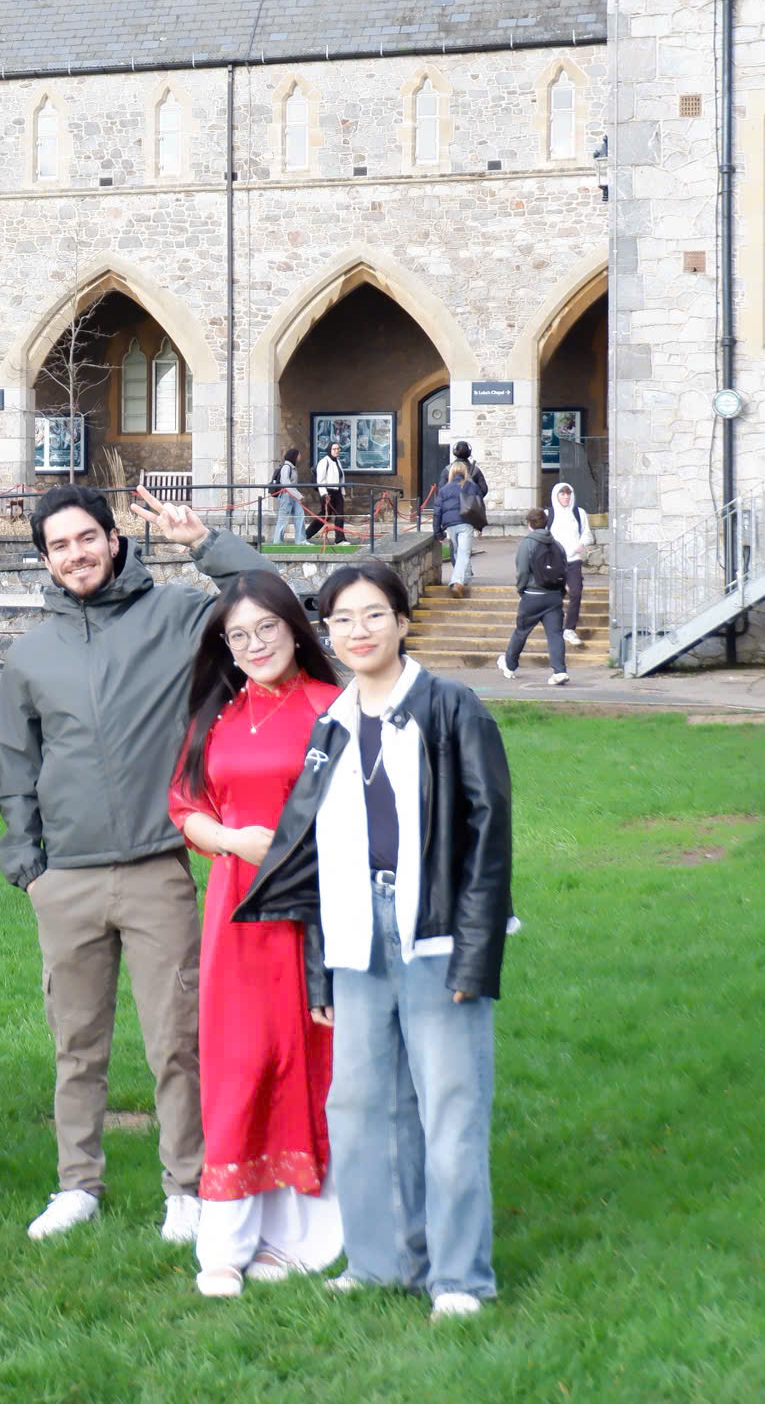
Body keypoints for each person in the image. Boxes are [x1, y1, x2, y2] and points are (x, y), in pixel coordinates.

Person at [0, 483, 276, 1244]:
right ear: (45, 558)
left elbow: (271, 604)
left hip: (158, 865)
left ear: (113, 539)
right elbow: (17, 767)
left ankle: (186, 1187)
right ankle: (76, 1184)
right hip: (69, 878)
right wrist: (29, 863)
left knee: (176, 1039)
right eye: (58, 545)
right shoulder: (30, 655)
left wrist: (205, 544)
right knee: (75, 1043)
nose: (75, 554)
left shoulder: (180, 616)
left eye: (87, 538)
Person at [235, 560, 513, 1322]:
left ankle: (460, 1277)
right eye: (342, 620)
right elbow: (320, 855)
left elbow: (489, 837)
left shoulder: (451, 708)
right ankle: (381, 1260)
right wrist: (322, 971)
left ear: (400, 620)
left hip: (434, 933)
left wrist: (477, 950)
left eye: (372, 615)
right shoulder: (332, 724)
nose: (358, 632)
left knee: (449, 1108)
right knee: (358, 1103)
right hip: (357, 934)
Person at [167, 570, 343, 1298]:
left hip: (317, 909)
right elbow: (184, 804)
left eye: (265, 628)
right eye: (238, 635)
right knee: (240, 1062)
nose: (253, 644)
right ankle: (227, 1237)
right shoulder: (220, 715)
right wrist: (236, 841)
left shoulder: (337, 708)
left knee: (306, 1057)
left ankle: (301, 1238)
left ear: (294, 627)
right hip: (236, 911)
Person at [495, 506, 570, 687]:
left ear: (529, 524)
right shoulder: (556, 544)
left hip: (532, 595)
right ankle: (559, 671)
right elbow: (564, 568)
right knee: (555, 634)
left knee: (521, 631)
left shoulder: (526, 544)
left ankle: (510, 665)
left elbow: (521, 571)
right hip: (554, 596)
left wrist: (521, 590)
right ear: (545, 523)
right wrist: (560, 592)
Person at [426, 461, 481, 598]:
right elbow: (478, 506)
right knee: (463, 552)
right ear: (464, 472)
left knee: (458, 552)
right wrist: (479, 525)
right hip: (465, 523)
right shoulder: (471, 486)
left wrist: (437, 532)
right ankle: (457, 582)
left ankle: (465, 579)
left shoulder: (444, 489)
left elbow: (437, 512)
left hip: (450, 525)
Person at [548, 481, 593, 645]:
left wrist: (581, 544)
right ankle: (555, 627)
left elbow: (587, 534)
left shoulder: (579, 513)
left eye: (568, 494)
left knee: (576, 592)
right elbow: (543, 535)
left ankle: (569, 629)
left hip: (573, 561)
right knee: (555, 595)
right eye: (563, 494)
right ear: (556, 496)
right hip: (555, 561)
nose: (566, 497)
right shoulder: (549, 514)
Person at [270, 447, 309, 545]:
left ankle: (301, 540)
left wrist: (297, 496)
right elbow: (286, 484)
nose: (300, 457)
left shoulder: (293, 468)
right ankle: (277, 541)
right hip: (287, 497)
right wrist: (299, 496)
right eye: (299, 455)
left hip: (294, 497)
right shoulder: (286, 467)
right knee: (283, 519)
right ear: (294, 456)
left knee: (300, 516)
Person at [314, 443, 348, 545]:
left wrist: (342, 492)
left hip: (337, 492)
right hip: (328, 492)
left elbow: (341, 479)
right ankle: (307, 534)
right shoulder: (324, 462)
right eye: (334, 449)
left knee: (340, 514)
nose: (337, 451)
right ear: (330, 450)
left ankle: (340, 539)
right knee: (325, 516)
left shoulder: (337, 461)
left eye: (338, 449)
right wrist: (324, 494)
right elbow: (320, 480)